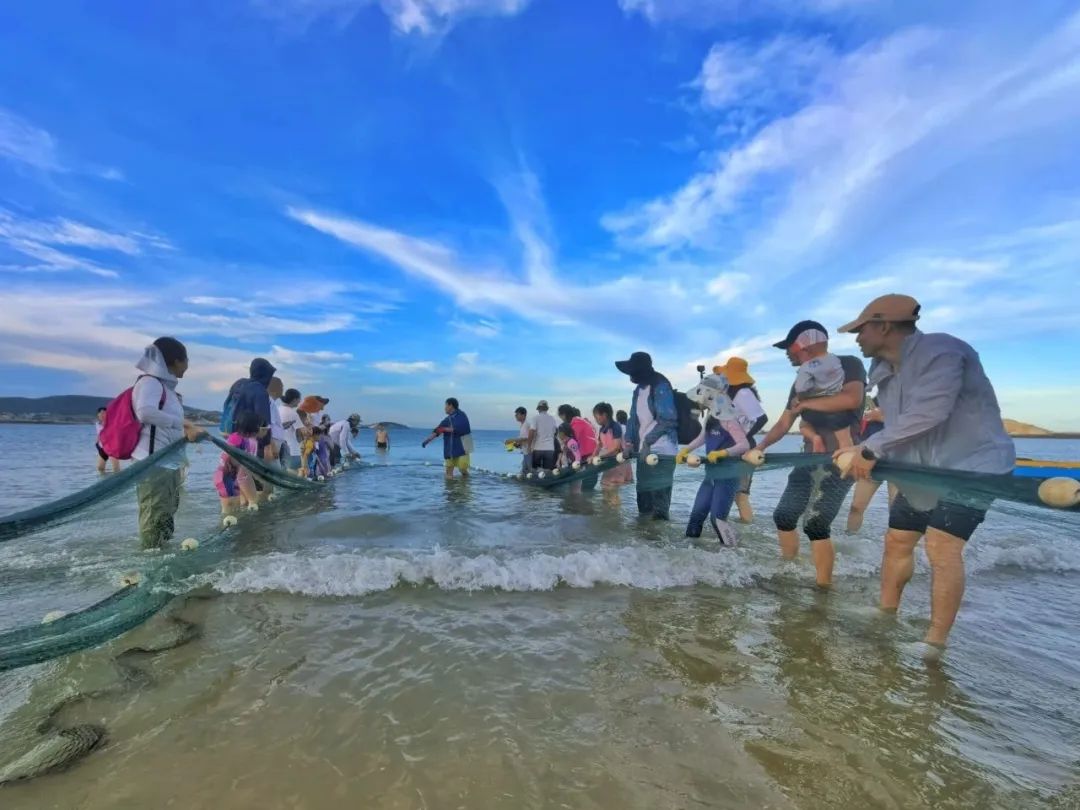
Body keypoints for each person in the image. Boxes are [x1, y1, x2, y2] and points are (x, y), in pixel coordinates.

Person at [834, 294, 1015, 657]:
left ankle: (935, 641)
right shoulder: (883, 370)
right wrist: (857, 449)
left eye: (861, 329)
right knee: (897, 540)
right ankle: (886, 610)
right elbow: (898, 423)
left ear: (884, 325)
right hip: (923, 469)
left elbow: (931, 411)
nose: (857, 338)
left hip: (973, 467)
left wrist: (870, 451)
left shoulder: (942, 350)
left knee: (941, 547)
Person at [756, 321, 866, 587]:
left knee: (816, 524)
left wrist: (805, 404)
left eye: (789, 346)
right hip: (809, 459)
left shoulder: (848, 364)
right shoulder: (801, 381)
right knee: (783, 516)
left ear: (807, 342)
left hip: (842, 459)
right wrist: (758, 448)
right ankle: (789, 573)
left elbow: (851, 399)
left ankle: (822, 590)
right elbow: (784, 423)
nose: (787, 353)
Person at [130, 338, 203, 549]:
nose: (187, 366)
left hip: (167, 461)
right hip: (152, 461)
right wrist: (183, 423)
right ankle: (151, 559)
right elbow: (145, 412)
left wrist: (186, 431)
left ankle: (163, 552)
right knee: (155, 511)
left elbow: (167, 424)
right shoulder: (150, 382)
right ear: (175, 360)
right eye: (186, 360)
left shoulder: (165, 388)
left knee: (167, 509)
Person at [677, 379, 750, 545]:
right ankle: (689, 551)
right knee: (696, 514)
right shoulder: (711, 415)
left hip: (728, 474)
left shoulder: (729, 418)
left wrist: (724, 452)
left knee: (717, 518)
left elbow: (744, 445)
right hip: (711, 474)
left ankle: (735, 552)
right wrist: (686, 450)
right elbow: (703, 437)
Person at [617, 351, 678, 520]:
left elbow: (668, 419)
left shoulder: (661, 385)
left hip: (662, 452)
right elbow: (632, 419)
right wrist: (628, 443)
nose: (629, 375)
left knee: (659, 507)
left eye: (632, 372)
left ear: (640, 371)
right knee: (643, 504)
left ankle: (661, 544)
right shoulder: (638, 390)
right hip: (644, 453)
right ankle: (643, 544)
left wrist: (647, 443)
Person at [713, 357, 768, 522]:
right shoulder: (733, 394)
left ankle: (746, 531)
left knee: (740, 495)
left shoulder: (743, 393)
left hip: (742, 449)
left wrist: (743, 438)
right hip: (733, 447)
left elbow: (761, 418)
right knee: (732, 492)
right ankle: (735, 531)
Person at [846, 395, 896, 533]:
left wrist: (883, 417)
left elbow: (917, 425)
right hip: (870, 460)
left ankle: (897, 550)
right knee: (856, 507)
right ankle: (849, 541)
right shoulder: (877, 398)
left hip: (900, 465)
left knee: (897, 513)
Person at [792, 351, 853, 454]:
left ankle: (815, 437)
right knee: (844, 438)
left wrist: (799, 399)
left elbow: (802, 388)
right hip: (833, 412)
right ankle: (846, 453)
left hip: (810, 412)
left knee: (803, 424)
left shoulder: (807, 372)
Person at [214, 410, 261, 514]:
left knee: (242, 507)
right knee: (230, 511)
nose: (260, 427)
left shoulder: (252, 440)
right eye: (259, 425)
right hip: (226, 478)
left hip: (239, 476)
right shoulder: (236, 438)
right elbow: (237, 463)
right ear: (254, 426)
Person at [593, 402, 633, 504]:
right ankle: (608, 515)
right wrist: (593, 456)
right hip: (609, 462)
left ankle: (615, 516)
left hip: (618, 462)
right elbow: (599, 445)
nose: (595, 419)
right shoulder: (602, 428)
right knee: (605, 486)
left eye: (596, 416)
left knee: (612, 489)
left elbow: (616, 447)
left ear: (604, 415)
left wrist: (601, 457)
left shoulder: (615, 427)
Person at [422, 398, 472, 479]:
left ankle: (465, 486)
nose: (444, 408)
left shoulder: (462, 415)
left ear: (450, 405)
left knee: (462, 468)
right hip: (450, 449)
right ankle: (449, 490)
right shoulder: (447, 420)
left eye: (446, 405)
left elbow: (464, 428)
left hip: (462, 447)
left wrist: (445, 429)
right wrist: (427, 440)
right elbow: (437, 430)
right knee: (449, 471)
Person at [277, 388, 306, 474]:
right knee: (295, 477)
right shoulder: (292, 413)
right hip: (293, 450)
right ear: (294, 399)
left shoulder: (278, 409)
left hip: (280, 450)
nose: (299, 401)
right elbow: (303, 432)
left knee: (283, 476)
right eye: (299, 399)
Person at [528, 400, 559, 472]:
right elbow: (555, 432)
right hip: (550, 449)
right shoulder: (552, 419)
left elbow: (531, 432)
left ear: (538, 409)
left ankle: (536, 483)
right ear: (547, 409)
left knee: (535, 470)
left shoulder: (535, 418)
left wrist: (529, 446)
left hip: (538, 448)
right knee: (547, 471)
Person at [94, 407, 121, 473]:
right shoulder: (97, 424)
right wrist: (96, 443)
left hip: (112, 448)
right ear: (98, 414)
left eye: (104, 413)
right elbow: (99, 434)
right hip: (102, 448)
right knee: (100, 468)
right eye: (101, 413)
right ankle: (104, 480)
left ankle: (118, 481)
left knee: (116, 469)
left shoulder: (111, 423)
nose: (103, 415)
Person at [511, 407, 532, 474]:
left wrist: (511, 440)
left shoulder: (526, 424)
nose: (515, 416)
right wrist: (516, 444)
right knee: (525, 471)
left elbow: (526, 438)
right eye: (515, 415)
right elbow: (523, 439)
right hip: (525, 451)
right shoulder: (522, 425)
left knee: (529, 471)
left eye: (517, 414)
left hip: (529, 452)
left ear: (523, 415)